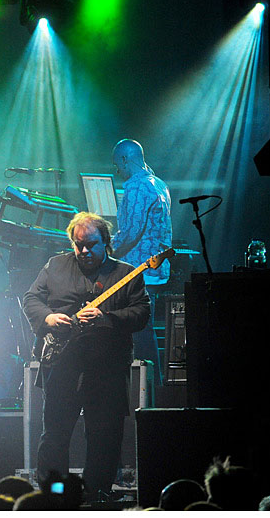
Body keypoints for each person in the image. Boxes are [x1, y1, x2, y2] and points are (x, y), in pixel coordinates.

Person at [23, 212, 150, 500]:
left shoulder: (126, 273)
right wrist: (49, 318)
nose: (83, 251)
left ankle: (96, 495)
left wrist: (107, 319)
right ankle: (54, 495)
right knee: (55, 433)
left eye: (91, 244)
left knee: (104, 434)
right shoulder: (55, 266)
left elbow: (142, 313)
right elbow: (31, 298)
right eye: (78, 244)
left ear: (105, 241)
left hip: (107, 368)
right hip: (61, 363)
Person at [110, 139, 172, 386]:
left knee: (139, 333)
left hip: (138, 270)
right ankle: (151, 390)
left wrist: (105, 252)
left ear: (125, 159)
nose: (117, 171)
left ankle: (148, 391)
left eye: (117, 165)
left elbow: (131, 232)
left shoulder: (136, 186)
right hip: (154, 270)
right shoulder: (159, 184)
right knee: (143, 330)